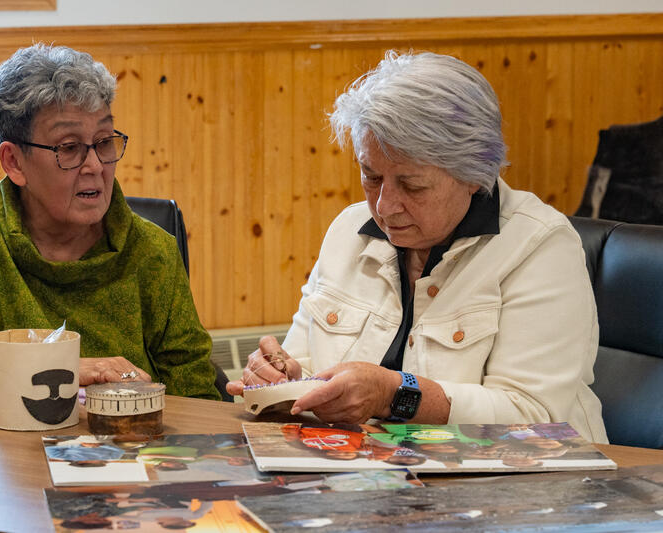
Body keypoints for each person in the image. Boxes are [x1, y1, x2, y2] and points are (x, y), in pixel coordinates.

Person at [227, 50, 607, 442]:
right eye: (371, 176)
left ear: (475, 173)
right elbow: (303, 366)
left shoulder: (539, 246)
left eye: (413, 185)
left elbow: (533, 416)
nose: (385, 206)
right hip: (371, 479)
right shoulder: (348, 231)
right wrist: (278, 378)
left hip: (528, 485)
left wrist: (395, 395)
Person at [0, 44, 219, 400]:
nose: (95, 166)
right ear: (14, 162)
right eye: (69, 147)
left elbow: (196, 393)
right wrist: (56, 364)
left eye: (104, 142)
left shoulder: (152, 251)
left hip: (127, 447)